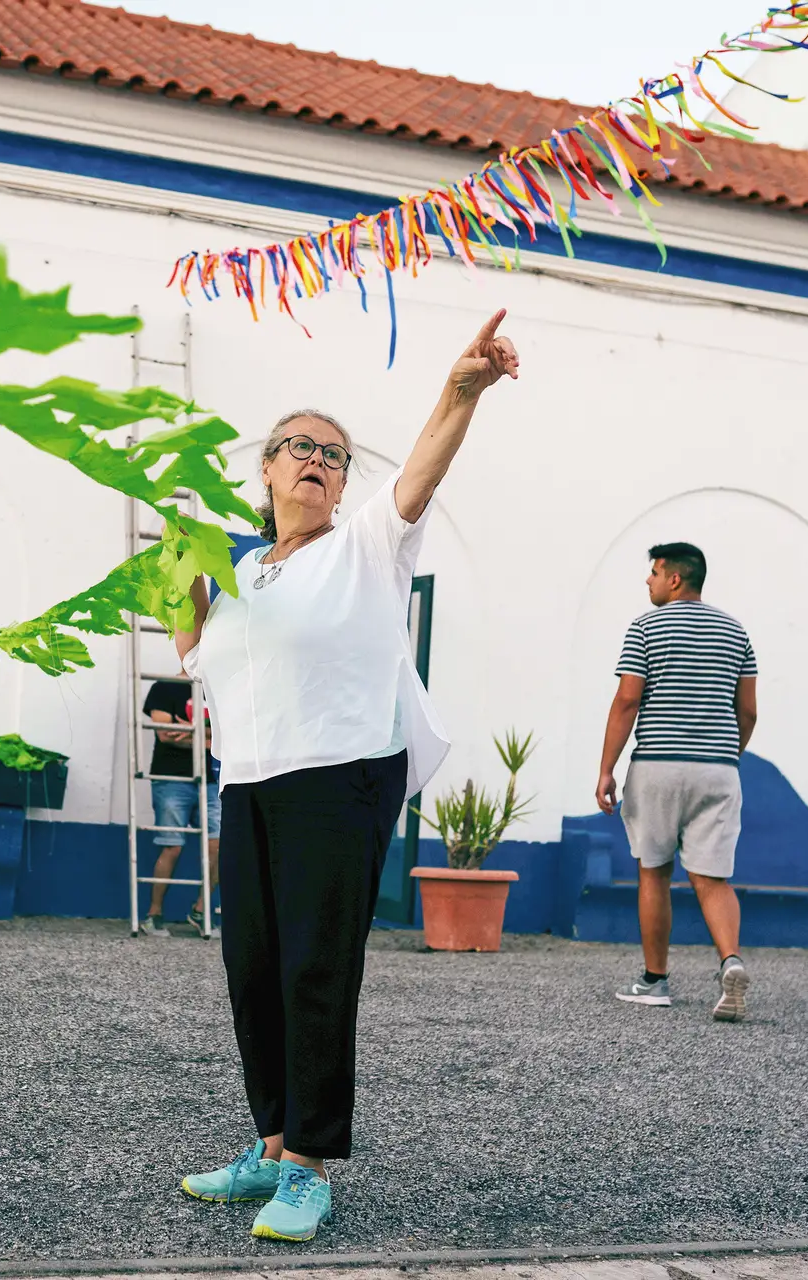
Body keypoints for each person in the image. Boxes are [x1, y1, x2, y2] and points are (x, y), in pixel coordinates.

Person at [173, 309, 518, 1243]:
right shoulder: (239, 571)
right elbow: (194, 655)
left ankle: (312, 1170)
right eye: (298, 447)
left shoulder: (368, 545)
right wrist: (179, 566)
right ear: (268, 470)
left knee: (316, 971)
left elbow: (419, 475)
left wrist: (461, 389)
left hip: (341, 780)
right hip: (248, 783)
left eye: (333, 452)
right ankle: (272, 1145)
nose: (317, 460)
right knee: (253, 968)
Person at [594, 542, 759, 1022]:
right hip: (718, 769)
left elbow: (627, 700)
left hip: (658, 767)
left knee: (654, 871)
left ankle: (654, 981)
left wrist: (607, 768)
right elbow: (747, 710)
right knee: (712, 878)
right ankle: (730, 960)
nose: (647, 581)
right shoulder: (736, 631)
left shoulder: (645, 627)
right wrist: (729, 753)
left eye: (653, 572)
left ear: (675, 579)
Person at [141, 672, 219, 939]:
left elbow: (229, 734)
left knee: (218, 844)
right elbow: (164, 734)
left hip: (211, 780)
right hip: (171, 778)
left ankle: (200, 912)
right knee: (172, 845)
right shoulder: (165, 686)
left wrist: (187, 730)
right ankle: (154, 914)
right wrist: (208, 737)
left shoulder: (218, 687)